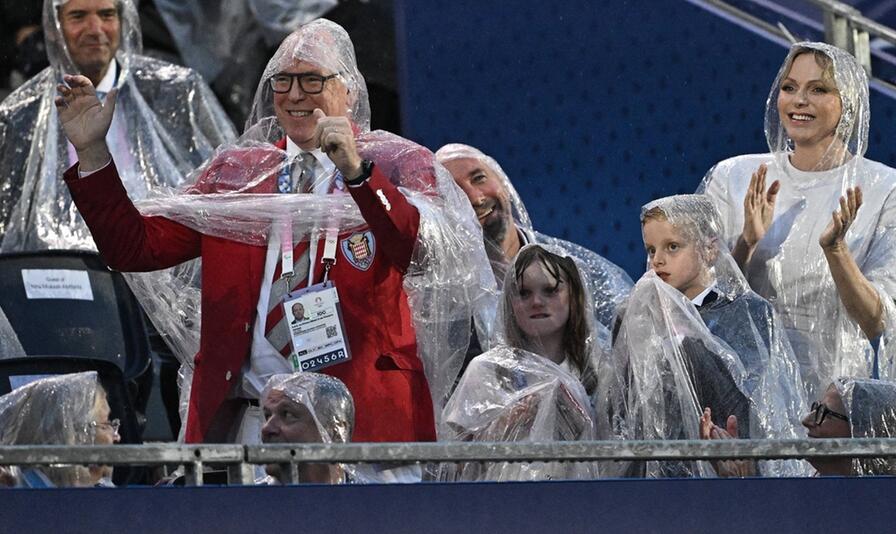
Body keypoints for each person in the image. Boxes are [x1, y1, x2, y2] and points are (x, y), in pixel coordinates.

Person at [55, 18, 492, 476]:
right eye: (282, 80)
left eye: (312, 80)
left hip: (365, 426)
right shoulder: (239, 173)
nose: (295, 95)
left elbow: (424, 256)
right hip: (249, 425)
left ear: (350, 92)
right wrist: (92, 153)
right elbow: (135, 249)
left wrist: (356, 172)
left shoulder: (396, 163)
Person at [698, 42, 896, 400]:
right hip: (744, 396)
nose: (799, 100)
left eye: (818, 89)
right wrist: (746, 243)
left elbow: (878, 323)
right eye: (789, 88)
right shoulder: (733, 176)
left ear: (848, 102)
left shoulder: (893, 190)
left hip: (833, 406)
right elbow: (703, 303)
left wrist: (836, 251)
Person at [0, 0, 236, 252]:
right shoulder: (20, 114)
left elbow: (228, 189)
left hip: (163, 257)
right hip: (60, 271)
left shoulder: (177, 91)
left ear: (124, 21)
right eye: (78, 16)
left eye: (107, 14)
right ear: (52, 28)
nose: (95, 29)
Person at [639, 195, 807, 465]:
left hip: (731, 471)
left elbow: (758, 400)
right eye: (650, 250)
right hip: (660, 473)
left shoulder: (748, 314)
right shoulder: (640, 318)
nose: (657, 260)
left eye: (672, 247)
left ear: (709, 250)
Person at [435, 143, 632, 350]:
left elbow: (628, 356)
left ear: (503, 182)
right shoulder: (443, 300)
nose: (475, 198)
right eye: (454, 193)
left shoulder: (577, 269)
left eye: (479, 178)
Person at [441, 245, 599, 481]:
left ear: (574, 296)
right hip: (502, 508)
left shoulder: (599, 370)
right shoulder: (485, 370)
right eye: (523, 293)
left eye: (550, 290)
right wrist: (503, 426)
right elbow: (456, 467)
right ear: (509, 302)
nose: (536, 301)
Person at [701, 377, 896, 476]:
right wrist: (739, 482)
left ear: (864, 432)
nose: (806, 419)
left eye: (823, 413)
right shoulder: (811, 496)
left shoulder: (878, 516)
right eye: (815, 408)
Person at [0, 372, 120, 487]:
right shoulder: (19, 496)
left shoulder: (102, 491)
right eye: (106, 424)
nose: (117, 436)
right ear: (75, 435)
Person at [260, 372, 354, 485]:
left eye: (288, 415)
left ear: (335, 433)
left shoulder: (372, 499)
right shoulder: (246, 500)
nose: (266, 428)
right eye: (268, 416)